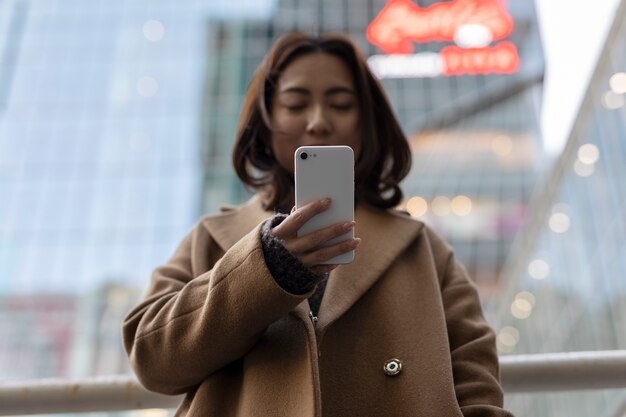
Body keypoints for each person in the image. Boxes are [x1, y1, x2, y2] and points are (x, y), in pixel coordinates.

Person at [122, 32, 513, 417]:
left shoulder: (423, 248)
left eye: (341, 104)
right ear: (267, 120)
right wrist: (266, 267)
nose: (319, 122)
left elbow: (476, 381)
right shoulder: (211, 237)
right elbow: (151, 358)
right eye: (295, 104)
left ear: (367, 122)